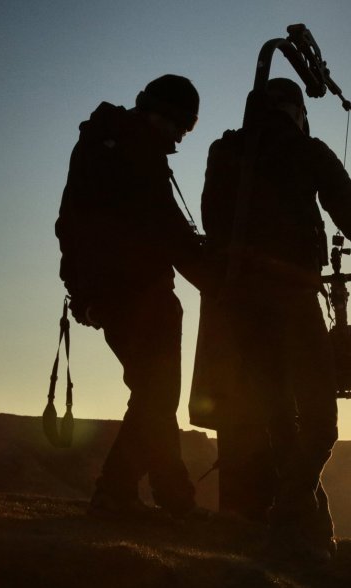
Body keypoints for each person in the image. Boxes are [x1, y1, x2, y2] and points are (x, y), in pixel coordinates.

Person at [201, 77, 351, 562]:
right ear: (297, 111)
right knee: (320, 422)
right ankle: (287, 522)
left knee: (279, 419)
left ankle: (313, 536)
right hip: (291, 296)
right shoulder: (307, 150)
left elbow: (215, 220)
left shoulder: (222, 151)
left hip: (237, 303)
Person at [55, 74, 210, 520]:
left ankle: (173, 494)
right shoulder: (137, 150)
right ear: (167, 115)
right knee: (156, 395)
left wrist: (83, 292)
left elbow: (73, 222)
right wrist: (213, 276)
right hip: (141, 294)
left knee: (152, 395)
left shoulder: (104, 143)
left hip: (107, 294)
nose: (181, 138)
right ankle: (116, 491)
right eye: (183, 127)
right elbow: (165, 226)